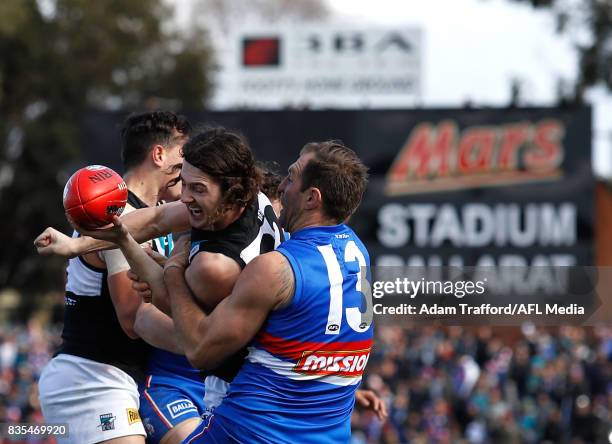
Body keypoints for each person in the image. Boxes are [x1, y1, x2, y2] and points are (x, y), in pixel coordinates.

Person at [163, 140, 373, 443]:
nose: (282, 186)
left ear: (312, 198)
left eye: (291, 178)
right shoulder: (357, 250)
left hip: (249, 433)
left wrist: (172, 271)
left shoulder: (275, 268)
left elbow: (199, 350)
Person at [37, 111, 188, 444]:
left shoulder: (152, 214)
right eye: (183, 154)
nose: (187, 166)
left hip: (119, 376)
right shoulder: (117, 211)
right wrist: (200, 341)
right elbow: (133, 319)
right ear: (159, 155)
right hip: (92, 377)